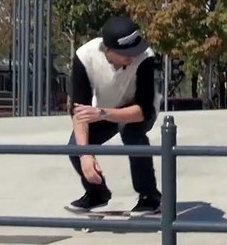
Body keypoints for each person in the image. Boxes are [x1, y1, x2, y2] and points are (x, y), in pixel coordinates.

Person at [64, 16, 162, 216]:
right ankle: (97, 193)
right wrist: (85, 155)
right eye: (126, 54)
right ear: (107, 50)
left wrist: (102, 113)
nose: (132, 57)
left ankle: (149, 196)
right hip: (103, 110)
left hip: (136, 110)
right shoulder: (85, 57)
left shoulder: (145, 57)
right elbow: (79, 110)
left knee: (132, 134)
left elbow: (143, 109)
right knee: (76, 145)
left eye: (134, 51)